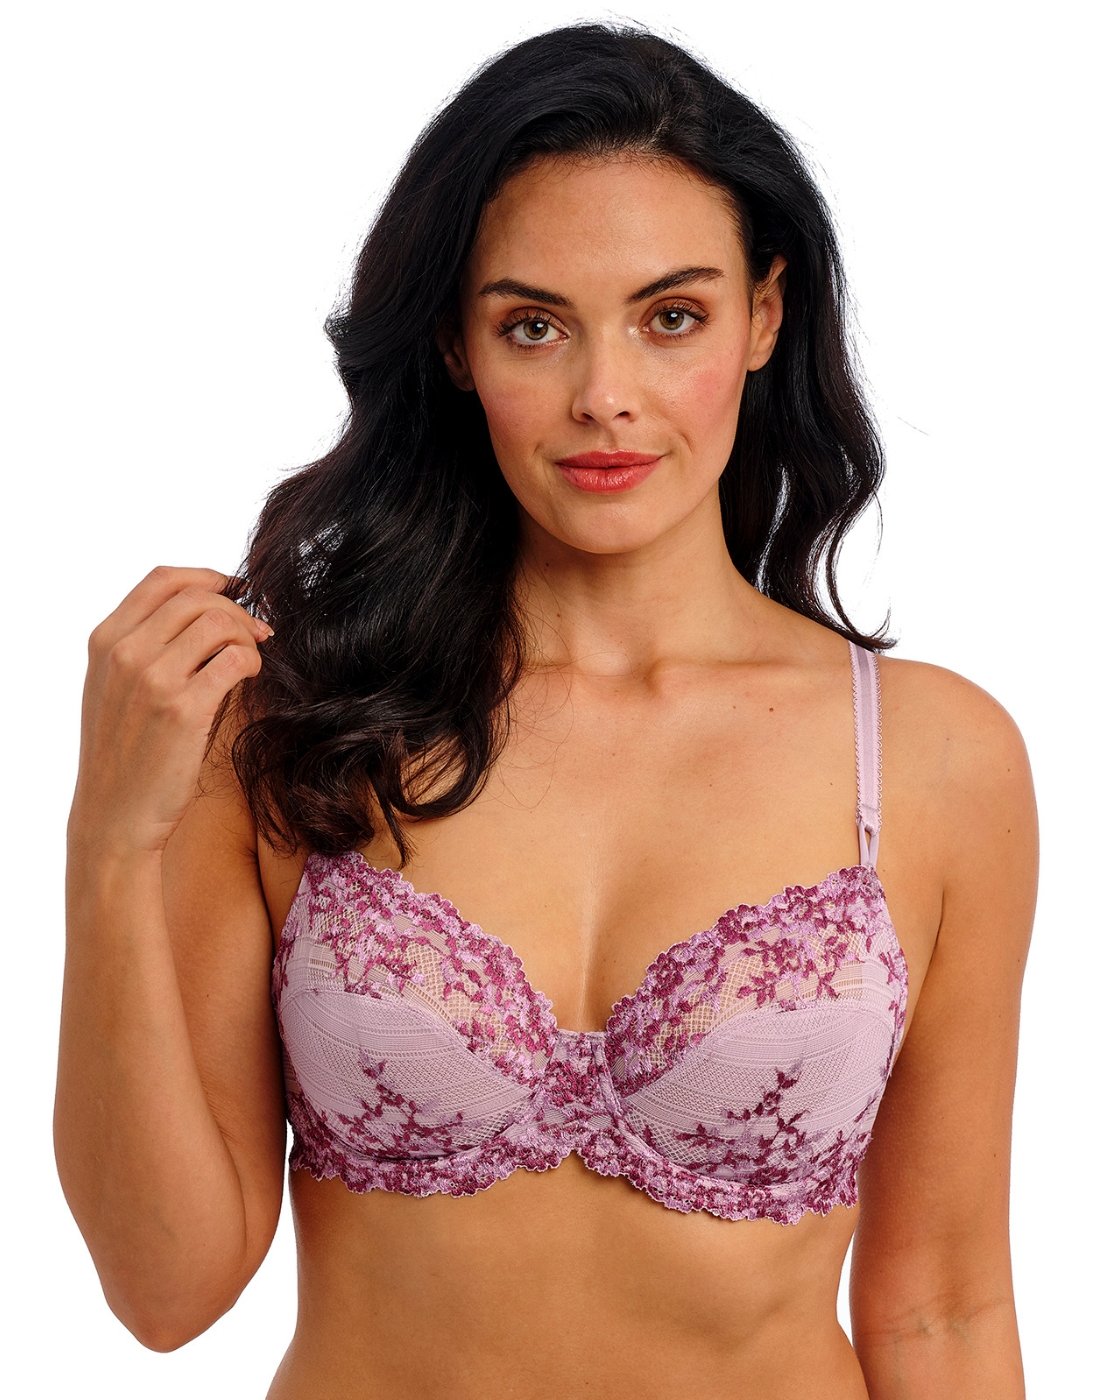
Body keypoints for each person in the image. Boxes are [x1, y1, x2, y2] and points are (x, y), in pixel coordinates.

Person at [54, 21, 1037, 1399]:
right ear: (456, 345)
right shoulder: (296, 726)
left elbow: (942, 1310)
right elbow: (167, 1294)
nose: (604, 399)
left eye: (671, 317)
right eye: (533, 325)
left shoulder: (933, 759)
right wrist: (108, 845)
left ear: (764, 317)